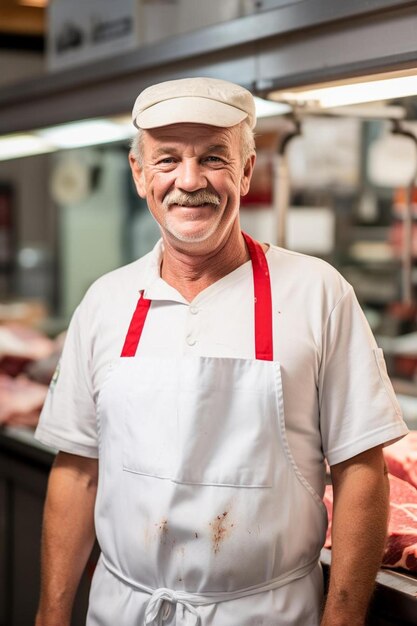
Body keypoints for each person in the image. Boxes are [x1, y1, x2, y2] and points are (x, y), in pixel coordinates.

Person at [34, 77, 408, 626]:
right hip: (124, 610)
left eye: (213, 157)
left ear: (247, 170)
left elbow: (361, 472)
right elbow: (77, 472)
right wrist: (50, 612)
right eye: (166, 160)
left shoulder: (317, 294)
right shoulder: (105, 303)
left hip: (265, 613)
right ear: (139, 175)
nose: (189, 181)